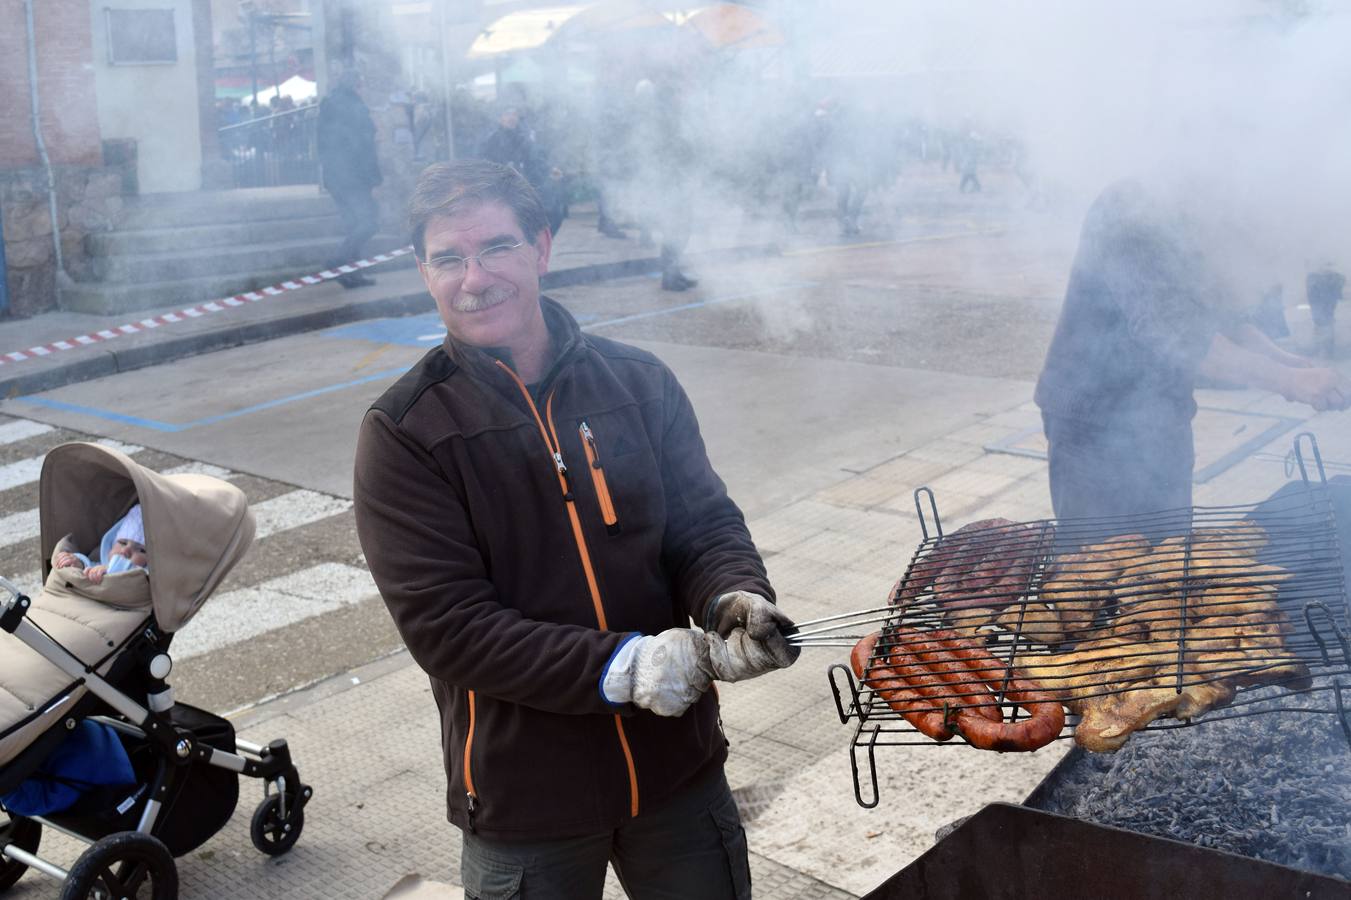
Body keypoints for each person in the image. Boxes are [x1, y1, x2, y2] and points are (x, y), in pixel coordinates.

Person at [352, 160, 798, 899]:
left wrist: (733, 597)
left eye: (496, 247)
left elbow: (702, 525)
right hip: (526, 798)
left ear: (542, 248)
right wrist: (632, 667)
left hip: (677, 770)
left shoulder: (638, 382)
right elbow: (448, 628)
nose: (474, 278)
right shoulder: (405, 432)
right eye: (448, 259)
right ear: (424, 272)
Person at [1035, 179, 1351, 522]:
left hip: (1163, 421)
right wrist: (1287, 381)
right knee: (1097, 566)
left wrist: (1288, 363)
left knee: (1171, 558)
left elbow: (1219, 316)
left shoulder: (1195, 215)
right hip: (1094, 428)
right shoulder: (1129, 208)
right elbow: (1176, 329)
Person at [317, 70, 382, 289]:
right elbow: (362, 147)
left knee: (354, 224)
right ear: (356, 85)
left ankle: (351, 275)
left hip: (337, 176)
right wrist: (373, 179)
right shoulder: (354, 107)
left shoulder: (330, 104)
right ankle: (337, 262)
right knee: (369, 221)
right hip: (353, 176)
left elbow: (323, 145)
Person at [52, 504, 149, 585]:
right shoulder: (102, 564)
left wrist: (113, 569)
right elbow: (90, 566)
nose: (125, 551)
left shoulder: (148, 577)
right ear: (111, 543)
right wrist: (79, 563)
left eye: (141, 550)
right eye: (122, 543)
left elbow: (140, 576)